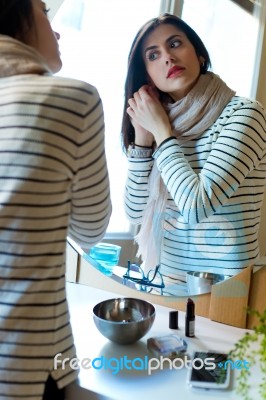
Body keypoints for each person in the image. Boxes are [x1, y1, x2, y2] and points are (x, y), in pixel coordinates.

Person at [0, 1, 112, 399]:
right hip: (21, 368)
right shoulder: (71, 99)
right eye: (46, 10)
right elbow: (91, 229)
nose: (57, 29)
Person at [121, 13, 266, 296]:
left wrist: (162, 133)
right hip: (167, 290)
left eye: (175, 44)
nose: (167, 57)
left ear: (199, 55)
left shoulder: (245, 115)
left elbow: (197, 207)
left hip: (230, 296)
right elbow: (134, 211)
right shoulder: (156, 123)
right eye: (153, 55)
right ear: (147, 76)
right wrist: (142, 138)